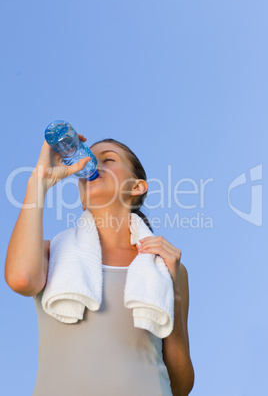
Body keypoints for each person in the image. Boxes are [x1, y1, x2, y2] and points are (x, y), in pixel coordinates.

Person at [5, 134, 195, 396]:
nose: (91, 166)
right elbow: (21, 279)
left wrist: (172, 291)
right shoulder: (51, 253)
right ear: (82, 198)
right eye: (88, 160)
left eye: (108, 159)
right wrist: (39, 181)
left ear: (137, 187)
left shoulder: (165, 266)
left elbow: (181, 386)